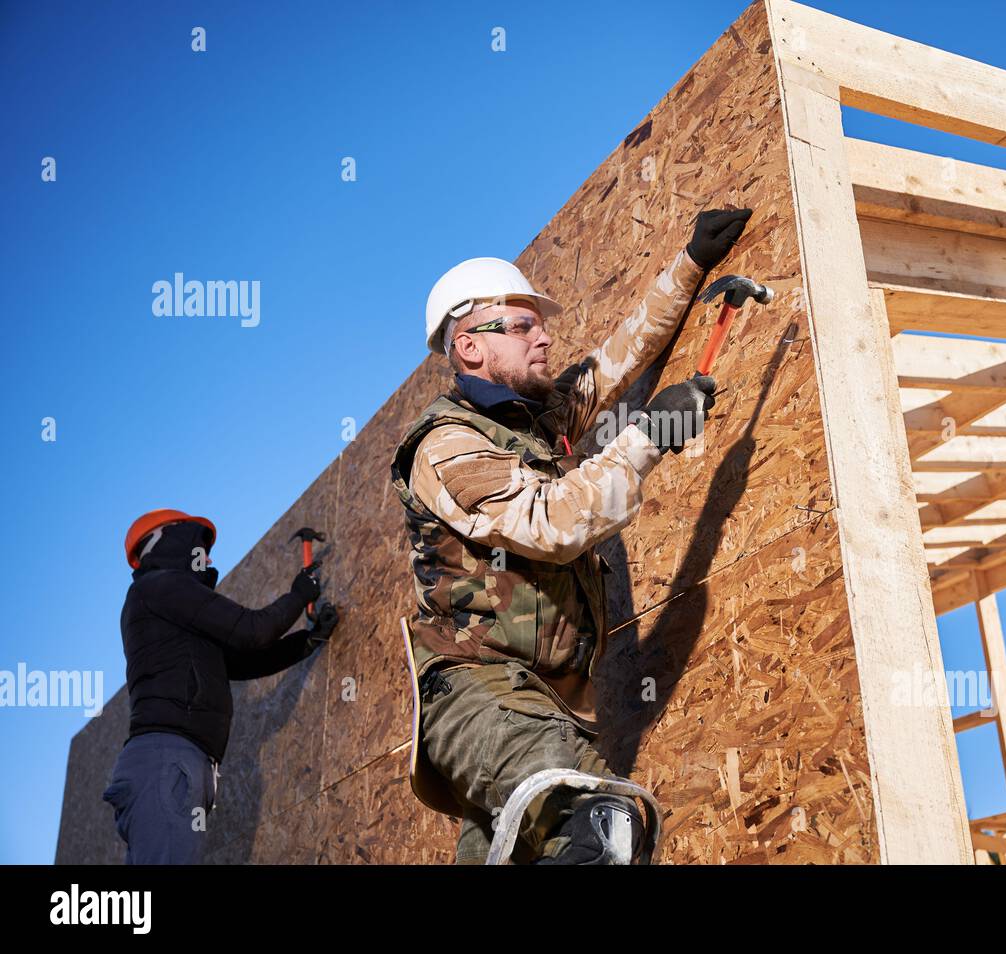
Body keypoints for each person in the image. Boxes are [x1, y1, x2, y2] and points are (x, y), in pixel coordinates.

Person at [392, 208, 751, 863]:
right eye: (523, 325)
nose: (543, 338)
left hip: (541, 708)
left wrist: (691, 263)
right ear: (469, 344)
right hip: (480, 694)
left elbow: (621, 356)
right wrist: (650, 436)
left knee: (575, 842)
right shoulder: (447, 445)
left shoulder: (536, 420)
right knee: (601, 823)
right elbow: (551, 523)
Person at [102, 509, 339, 864]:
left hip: (175, 763)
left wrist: (306, 640)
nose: (208, 558)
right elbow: (252, 630)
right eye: (200, 546)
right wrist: (298, 594)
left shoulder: (163, 603)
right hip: (169, 762)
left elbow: (240, 660)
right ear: (170, 538)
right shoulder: (161, 586)